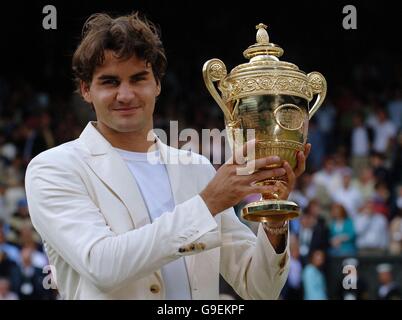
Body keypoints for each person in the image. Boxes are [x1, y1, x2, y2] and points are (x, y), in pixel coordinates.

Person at [24, 12, 310, 300]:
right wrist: (207, 204)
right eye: (110, 82)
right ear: (86, 89)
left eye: (138, 79)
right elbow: (102, 265)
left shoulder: (196, 168)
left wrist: (274, 216)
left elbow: (259, 289)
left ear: (157, 84)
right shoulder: (53, 168)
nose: (125, 95)